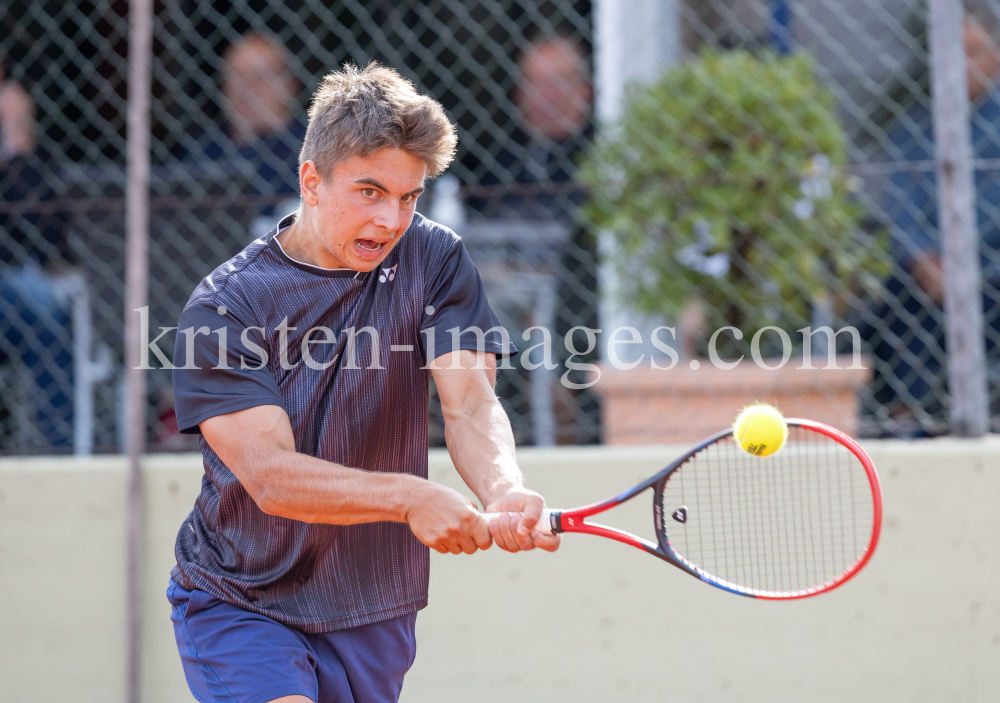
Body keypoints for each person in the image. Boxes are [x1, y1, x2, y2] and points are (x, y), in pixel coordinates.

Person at [167, 63, 559, 703]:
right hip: (243, 599)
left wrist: (503, 487)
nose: (391, 219)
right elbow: (268, 475)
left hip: (374, 603)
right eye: (370, 192)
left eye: (409, 197)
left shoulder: (435, 260)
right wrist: (409, 497)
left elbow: (469, 404)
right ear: (311, 182)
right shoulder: (226, 306)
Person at [868, 12, 1000, 431]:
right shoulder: (913, 129)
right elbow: (901, 211)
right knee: (895, 294)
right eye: (953, 53)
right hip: (929, 277)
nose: (962, 65)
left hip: (992, 269)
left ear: (997, 57)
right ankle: (908, 413)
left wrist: (969, 266)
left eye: (974, 52)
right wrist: (924, 258)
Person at [0, 57, 73, 450]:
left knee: (43, 300)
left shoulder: (18, 148)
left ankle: (59, 451)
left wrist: (19, 147)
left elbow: (45, 237)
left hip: (11, 279)